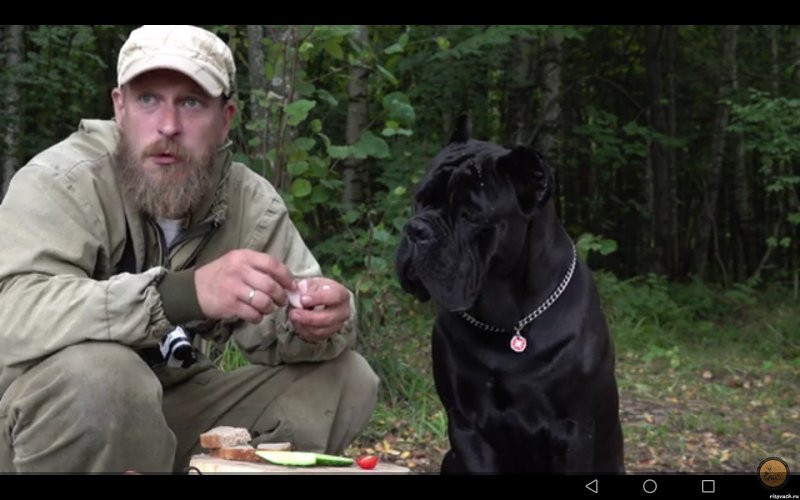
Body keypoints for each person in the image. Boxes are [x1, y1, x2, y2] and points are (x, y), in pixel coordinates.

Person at [0, 25, 379, 473]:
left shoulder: (247, 204)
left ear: (227, 118)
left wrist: (319, 321)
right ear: (119, 108)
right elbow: (12, 312)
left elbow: (287, 326)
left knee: (344, 379)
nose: (168, 126)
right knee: (106, 377)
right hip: (35, 420)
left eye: (192, 102)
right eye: (148, 99)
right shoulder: (63, 180)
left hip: (170, 406)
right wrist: (183, 294)